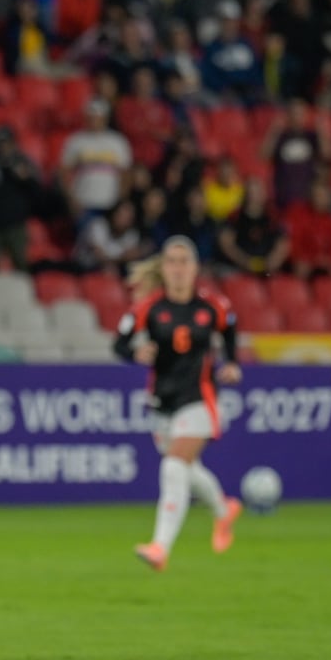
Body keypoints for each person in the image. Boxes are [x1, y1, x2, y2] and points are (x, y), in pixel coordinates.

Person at [113, 236, 242, 572]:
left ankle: (160, 547)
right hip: (162, 401)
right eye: (172, 261)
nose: (179, 268)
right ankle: (224, 510)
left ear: (195, 268)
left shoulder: (212, 306)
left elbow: (229, 328)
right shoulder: (148, 308)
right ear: (163, 268)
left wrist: (230, 362)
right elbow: (119, 343)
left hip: (200, 399)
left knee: (173, 467)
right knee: (188, 470)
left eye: (185, 261)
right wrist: (134, 352)